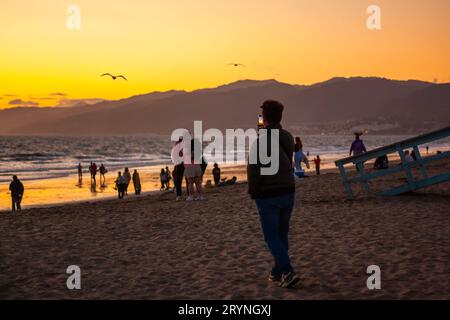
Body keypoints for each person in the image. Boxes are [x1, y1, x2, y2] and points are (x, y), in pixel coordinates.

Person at [248, 100, 299, 289]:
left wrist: (254, 192)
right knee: (282, 232)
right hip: (288, 190)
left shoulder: (260, 141)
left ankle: (286, 270)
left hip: (268, 194)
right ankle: (277, 272)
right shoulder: (287, 137)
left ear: (265, 118)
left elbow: (254, 170)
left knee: (270, 235)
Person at [184, 137, 204, 201]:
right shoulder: (199, 150)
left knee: (190, 183)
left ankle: (191, 196)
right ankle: (200, 196)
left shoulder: (187, 149)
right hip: (197, 166)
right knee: (198, 182)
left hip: (190, 167)